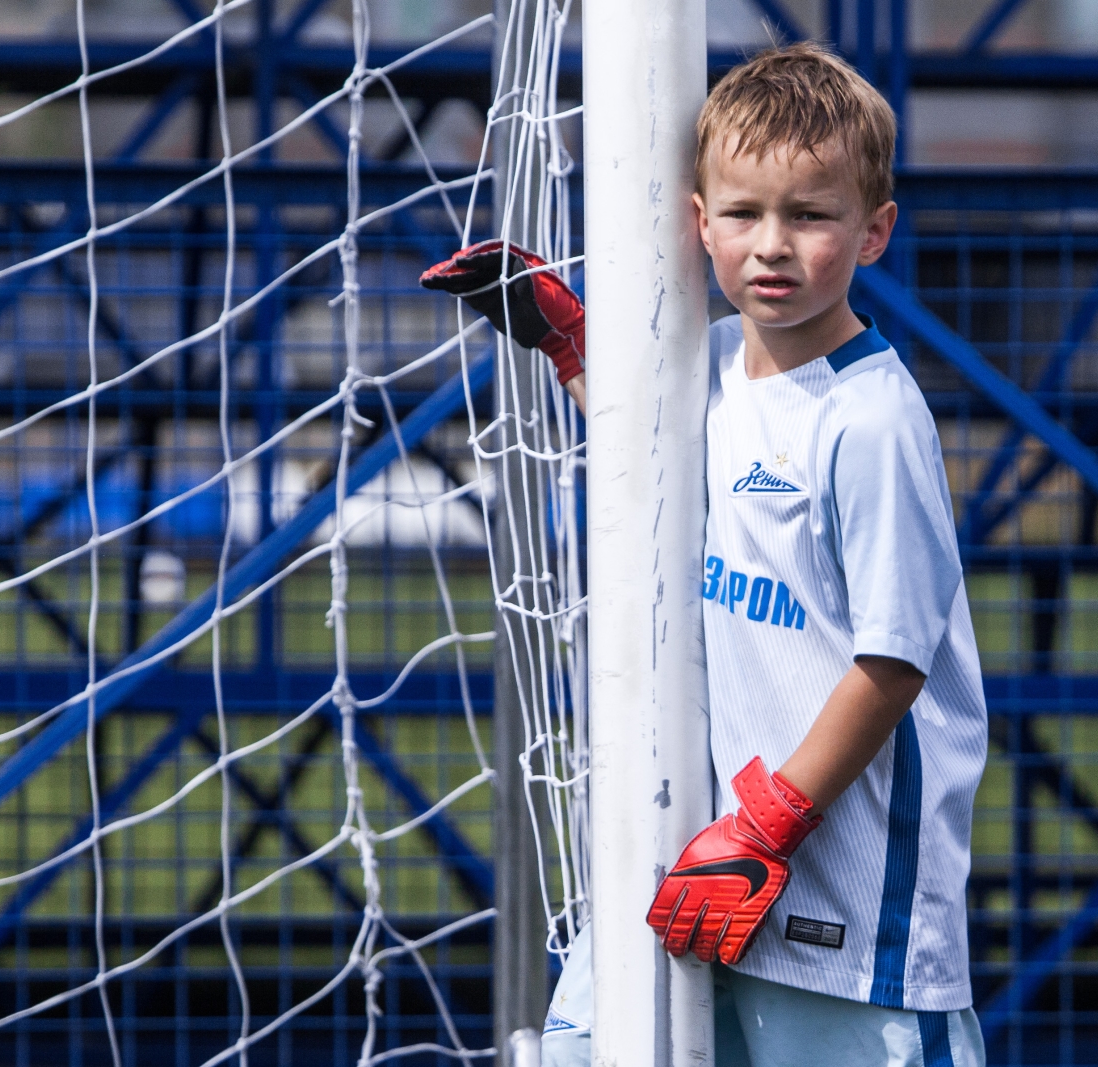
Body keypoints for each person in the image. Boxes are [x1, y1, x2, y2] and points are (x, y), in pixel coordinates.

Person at [422, 41, 987, 1067]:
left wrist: (766, 826)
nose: (772, 245)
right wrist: (574, 353)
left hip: (838, 895)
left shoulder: (871, 420)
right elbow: (664, 463)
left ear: (873, 232)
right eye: (743, 214)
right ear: (698, 223)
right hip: (695, 845)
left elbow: (894, 659)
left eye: (810, 216)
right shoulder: (711, 360)